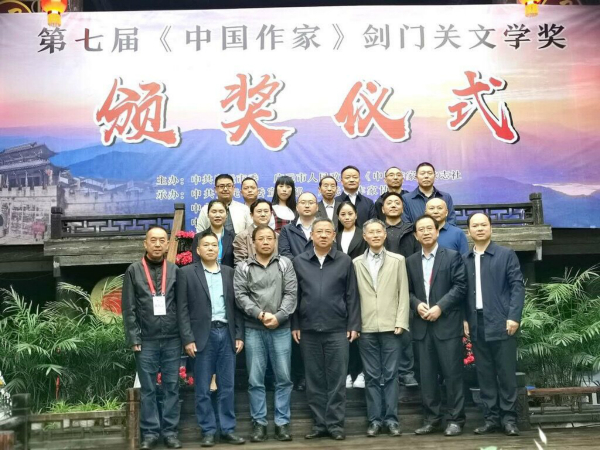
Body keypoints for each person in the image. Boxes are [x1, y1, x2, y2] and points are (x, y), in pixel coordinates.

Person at [291, 218, 361, 441]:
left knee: (337, 379)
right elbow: (295, 296)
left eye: (327, 232)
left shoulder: (344, 261)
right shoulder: (299, 261)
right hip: (308, 329)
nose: (323, 235)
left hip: (337, 329)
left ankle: (335, 424)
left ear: (333, 236)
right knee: (314, 379)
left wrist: (353, 324)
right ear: (311, 235)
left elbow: (352, 295)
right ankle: (319, 423)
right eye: (318, 232)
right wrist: (295, 324)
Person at [177, 231, 245, 448]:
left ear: (219, 250)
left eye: (214, 245)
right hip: (201, 336)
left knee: (227, 385)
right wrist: (187, 339)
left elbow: (237, 307)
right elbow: (182, 309)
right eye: (205, 245)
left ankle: (227, 429)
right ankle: (207, 430)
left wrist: (239, 335)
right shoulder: (187, 273)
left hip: (226, 333)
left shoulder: (229, 272)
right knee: (203, 388)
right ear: (197, 250)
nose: (210, 248)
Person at [234, 225, 297, 443]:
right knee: (255, 380)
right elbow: (240, 296)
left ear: (275, 241)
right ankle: (259, 423)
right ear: (253, 242)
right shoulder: (243, 266)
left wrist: (279, 316)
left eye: (270, 238)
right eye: (261, 238)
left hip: (281, 328)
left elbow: (291, 293)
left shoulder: (285, 263)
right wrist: (260, 315)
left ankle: (282, 423)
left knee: (283, 378)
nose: (266, 242)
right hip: (254, 328)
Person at [463, 213, 525, 437]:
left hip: (501, 321)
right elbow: (462, 292)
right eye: (475, 225)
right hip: (476, 322)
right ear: (469, 230)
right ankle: (491, 419)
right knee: (485, 374)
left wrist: (514, 316)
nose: (479, 229)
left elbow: (517, 287)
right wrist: (464, 319)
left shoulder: (505, 254)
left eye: (483, 225)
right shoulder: (465, 259)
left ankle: (509, 419)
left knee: (506, 373)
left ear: (490, 228)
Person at [405, 215, 467, 437]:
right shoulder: (410, 261)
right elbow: (407, 291)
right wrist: (416, 304)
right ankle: (431, 419)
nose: (426, 232)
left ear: (437, 231)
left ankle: (456, 420)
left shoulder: (452, 256)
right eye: (421, 229)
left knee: (452, 375)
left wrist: (440, 307)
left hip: (447, 325)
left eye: (429, 228)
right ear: (416, 235)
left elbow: (460, 286)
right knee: (427, 377)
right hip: (422, 327)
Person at [122, 226, 182, 449]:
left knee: (171, 386)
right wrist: (134, 337)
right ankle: (150, 433)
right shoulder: (133, 270)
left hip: (172, 338)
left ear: (167, 245)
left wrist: (184, 336)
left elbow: (181, 306)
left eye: (161, 240)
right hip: (145, 340)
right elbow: (128, 308)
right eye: (153, 240)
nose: (157, 244)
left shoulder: (174, 270)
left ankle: (170, 432)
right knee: (148, 388)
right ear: (145, 244)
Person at [353, 219, 409, 438]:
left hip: (391, 326)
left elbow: (403, 292)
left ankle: (392, 420)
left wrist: (401, 321)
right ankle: (375, 420)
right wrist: (355, 325)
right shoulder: (356, 263)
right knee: (372, 375)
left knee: (391, 375)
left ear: (385, 235)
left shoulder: (397, 260)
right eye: (371, 232)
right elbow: (353, 298)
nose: (375, 235)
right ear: (364, 236)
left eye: (379, 231)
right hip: (366, 326)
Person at [380, 191, 420, 388]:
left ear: (403, 207)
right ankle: (388, 371)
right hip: (381, 285)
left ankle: (406, 371)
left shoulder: (411, 230)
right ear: (383, 209)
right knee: (384, 330)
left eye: (397, 202)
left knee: (405, 328)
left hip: (406, 283)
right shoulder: (377, 229)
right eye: (389, 203)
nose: (394, 205)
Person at [335, 201, 367, 389]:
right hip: (340, 287)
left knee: (360, 331)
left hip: (362, 284)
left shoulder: (364, 234)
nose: (347, 217)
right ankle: (347, 372)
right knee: (345, 333)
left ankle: (361, 372)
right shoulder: (334, 236)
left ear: (356, 215)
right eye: (343, 214)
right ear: (338, 217)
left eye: (350, 213)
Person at [232, 199, 276, 267]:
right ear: (251, 215)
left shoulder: (277, 236)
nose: (263, 214)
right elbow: (240, 264)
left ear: (271, 214)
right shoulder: (242, 237)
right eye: (259, 211)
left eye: (266, 211)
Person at [192, 200, 234, 268]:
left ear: (226, 215)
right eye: (214, 212)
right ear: (208, 214)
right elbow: (196, 262)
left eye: (221, 211)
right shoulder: (199, 237)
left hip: (228, 274)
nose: (217, 215)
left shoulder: (233, 237)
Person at [278, 192, 317, 261]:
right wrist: (299, 265)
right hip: (294, 267)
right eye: (303, 202)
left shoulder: (325, 228)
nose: (307, 206)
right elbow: (285, 253)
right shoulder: (287, 229)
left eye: (311, 203)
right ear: (297, 207)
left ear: (317, 207)